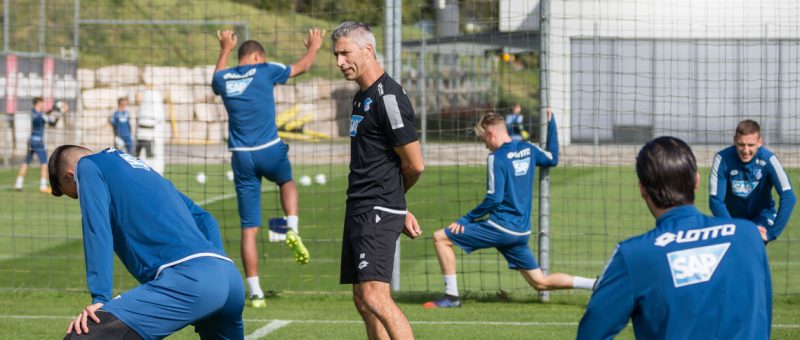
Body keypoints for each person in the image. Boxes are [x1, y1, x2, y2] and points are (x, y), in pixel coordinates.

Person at [577, 136, 772, 339]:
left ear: (642, 189)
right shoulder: (749, 236)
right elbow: (763, 315)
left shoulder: (634, 256)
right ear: (697, 180)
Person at [49, 145, 244, 339]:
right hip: (230, 276)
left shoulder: (86, 165)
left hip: (191, 280)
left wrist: (100, 298)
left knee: (82, 336)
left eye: (76, 194)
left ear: (71, 175)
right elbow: (204, 218)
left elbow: (97, 230)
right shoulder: (143, 170)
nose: (80, 196)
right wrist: (216, 269)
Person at [423, 110, 595, 309]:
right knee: (540, 282)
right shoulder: (528, 148)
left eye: (483, 139)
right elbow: (552, 158)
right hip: (520, 232)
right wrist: (552, 124)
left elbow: (494, 198)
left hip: (500, 228)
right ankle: (596, 283)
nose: (485, 145)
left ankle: (451, 297)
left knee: (440, 238)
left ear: (490, 134)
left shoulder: (496, 158)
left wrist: (465, 219)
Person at [211, 27, 324, 308]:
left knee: (249, 229)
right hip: (269, 149)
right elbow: (302, 67)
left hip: (241, 157)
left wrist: (224, 48)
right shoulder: (265, 70)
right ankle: (292, 227)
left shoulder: (224, 78)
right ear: (258, 57)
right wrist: (314, 46)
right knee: (286, 181)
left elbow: (215, 77)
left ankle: (256, 293)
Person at [332, 21, 424, 339]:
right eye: (336, 55)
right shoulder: (362, 97)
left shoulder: (389, 98)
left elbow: (415, 164)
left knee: (375, 296)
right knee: (362, 299)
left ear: (368, 50)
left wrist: (393, 203)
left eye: (345, 53)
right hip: (361, 206)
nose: (340, 61)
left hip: (376, 207)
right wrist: (397, 205)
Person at [709, 119, 795, 243]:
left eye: (750, 145)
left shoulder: (769, 159)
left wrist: (772, 234)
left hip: (762, 217)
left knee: (752, 240)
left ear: (760, 142)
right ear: (734, 140)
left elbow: (788, 196)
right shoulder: (722, 159)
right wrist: (733, 228)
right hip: (732, 219)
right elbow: (715, 201)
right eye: (741, 144)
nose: (745, 150)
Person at [14, 97, 64, 193]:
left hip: (31, 140)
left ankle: (18, 183)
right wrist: (59, 113)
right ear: (38, 103)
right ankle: (43, 186)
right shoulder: (40, 115)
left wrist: (52, 109)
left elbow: (45, 115)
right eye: (42, 103)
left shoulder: (33, 112)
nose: (43, 105)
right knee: (44, 163)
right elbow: (52, 124)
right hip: (38, 142)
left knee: (26, 162)